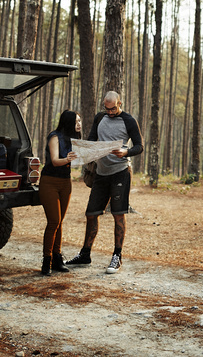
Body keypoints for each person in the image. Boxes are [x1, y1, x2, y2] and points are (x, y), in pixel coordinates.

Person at [66, 91, 142, 274]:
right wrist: (85, 150)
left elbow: (139, 146)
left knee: (118, 214)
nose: (110, 112)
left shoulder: (129, 120)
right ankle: (85, 254)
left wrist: (126, 152)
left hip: (120, 172)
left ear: (120, 103)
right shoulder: (100, 117)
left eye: (113, 108)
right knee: (91, 213)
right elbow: (92, 140)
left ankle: (117, 256)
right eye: (107, 109)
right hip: (101, 173)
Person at [39, 110, 79, 276]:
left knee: (60, 221)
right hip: (49, 181)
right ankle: (46, 260)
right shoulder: (55, 137)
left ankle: (57, 258)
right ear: (68, 122)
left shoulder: (73, 140)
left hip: (65, 182)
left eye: (80, 121)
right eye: (77, 121)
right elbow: (55, 161)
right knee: (53, 221)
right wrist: (68, 159)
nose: (79, 124)